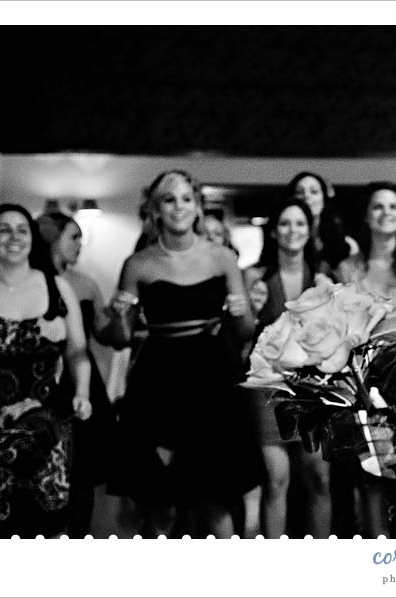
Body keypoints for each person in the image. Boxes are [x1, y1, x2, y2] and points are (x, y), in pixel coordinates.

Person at [105, 170, 266, 538]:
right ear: (155, 209)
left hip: (212, 374)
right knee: (161, 502)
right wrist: (117, 315)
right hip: (158, 377)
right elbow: (121, 338)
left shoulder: (222, 258)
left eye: (186, 199)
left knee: (217, 499)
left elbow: (243, 333)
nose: (178, 207)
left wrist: (242, 312)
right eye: (168, 199)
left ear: (197, 207)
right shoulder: (138, 264)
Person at [0, 204, 92, 538]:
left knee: (46, 524)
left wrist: (82, 393)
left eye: (21, 229)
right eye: (3, 229)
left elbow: (78, 352)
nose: (13, 237)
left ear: (32, 238)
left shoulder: (57, 288)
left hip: (49, 429)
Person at [243, 197, 331, 539]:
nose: (292, 230)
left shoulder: (323, 278)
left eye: (299, 224)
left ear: (309, 232)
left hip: (315, 389)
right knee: (275, 480)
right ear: (274, 232)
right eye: (284, 223)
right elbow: (242, 336)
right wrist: (251, 311)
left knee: (320, 479)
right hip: (269, 388)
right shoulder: (254, 277)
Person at [37, 212, 114, 537]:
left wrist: (121, 317)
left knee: (82, 470)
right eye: (74, 237)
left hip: (81, 380)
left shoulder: (84, 283)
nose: (80, 245)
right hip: (43, 382)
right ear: (53, 239)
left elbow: (105, 334)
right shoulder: (30, 282)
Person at [336, 182, 396, 315]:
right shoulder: (347, 269)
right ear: (366, 215)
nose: (386, 212)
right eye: (378, 207)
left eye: (393, 207)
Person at [287, 171, 353, 272]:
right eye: (299, 192)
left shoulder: (346, 243)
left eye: (314, 191)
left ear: (324, 198)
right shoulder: (285, 238)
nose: (306, 196)